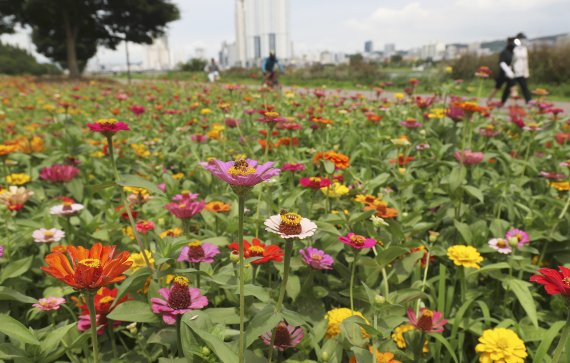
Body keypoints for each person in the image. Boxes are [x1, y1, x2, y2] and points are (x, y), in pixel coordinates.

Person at [488, 37, 515, 104]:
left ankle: (511, 104)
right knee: (497, 87)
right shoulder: (504, 52)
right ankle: (488, 100)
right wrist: (508, 71)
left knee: (512, 88)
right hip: (503, 74)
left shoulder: (513, 53)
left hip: (511, 74)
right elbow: (502, 63)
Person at [510, 32, 532, 104]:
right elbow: (510, 60)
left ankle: (528, 100)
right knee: (510, 87)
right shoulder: (513, 49)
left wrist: (526, 72)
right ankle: (503, 101)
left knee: (524, 87)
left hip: (521, 72)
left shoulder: (524, 49)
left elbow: (526, 62)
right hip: (513, 71)